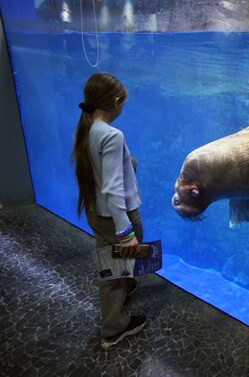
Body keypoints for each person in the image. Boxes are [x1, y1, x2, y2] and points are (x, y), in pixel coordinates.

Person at [72, 72, 146, 350]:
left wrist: (130, 163)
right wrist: (126, 232)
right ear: (116, 102)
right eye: (123, 103)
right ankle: (114, 328)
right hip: (117, 217)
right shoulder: (113, 135)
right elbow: (114, 189)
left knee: (110, 265)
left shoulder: (88, 128)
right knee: (118, 269)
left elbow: (103, 174)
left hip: (96, 213)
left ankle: (123, 292)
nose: (123, 108)